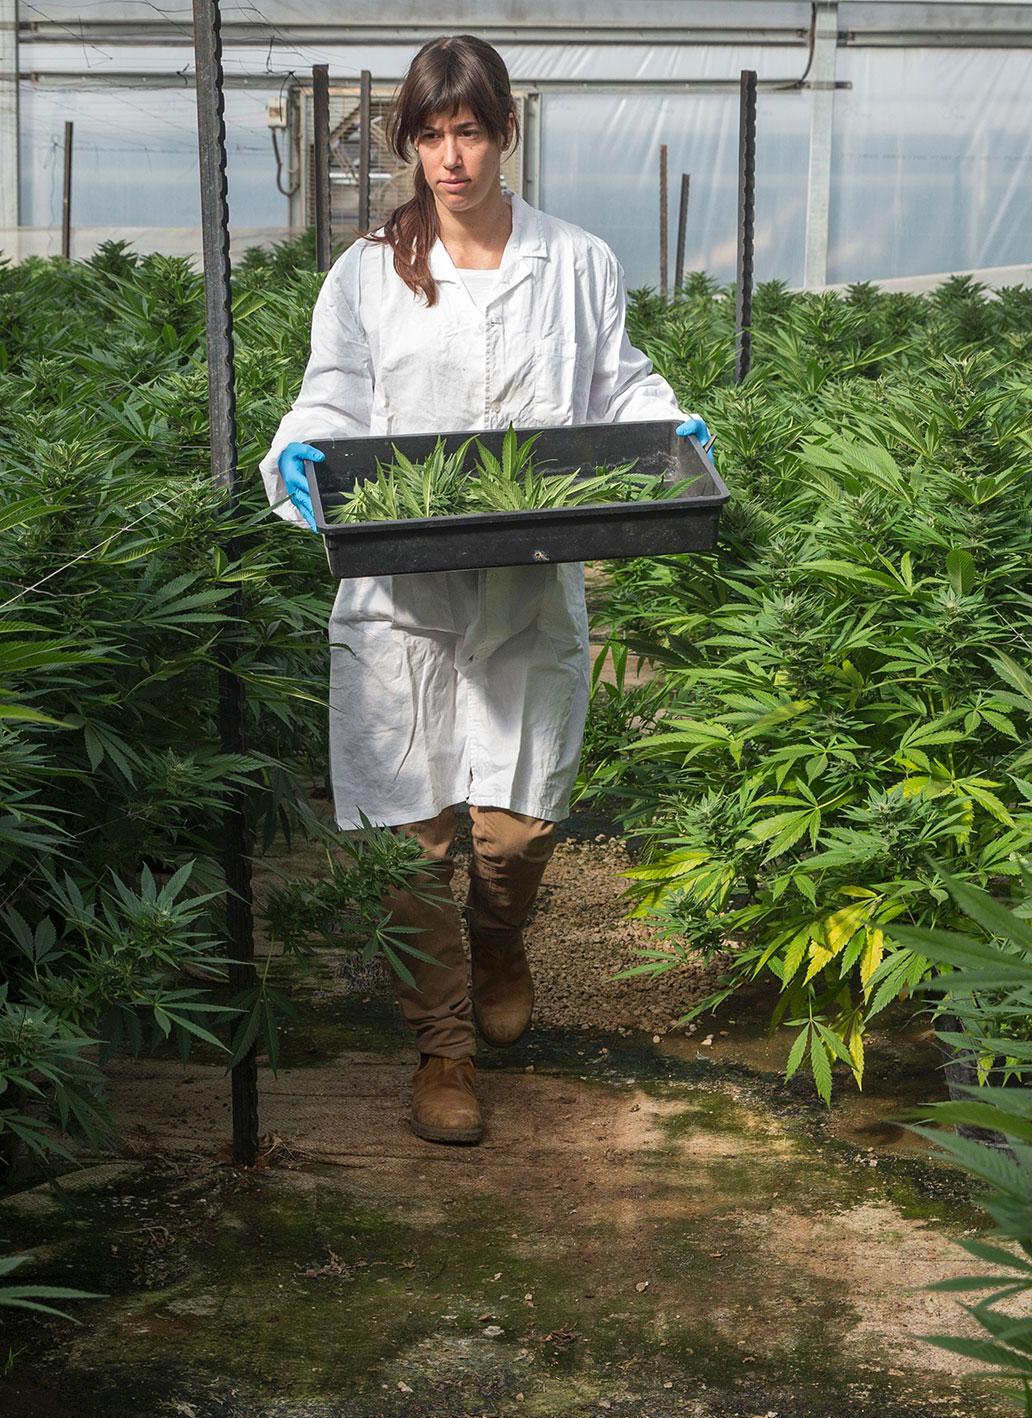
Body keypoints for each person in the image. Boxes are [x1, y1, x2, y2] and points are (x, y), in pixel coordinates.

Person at [259, 34, 710, 1147]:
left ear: (506, 132)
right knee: (406, 841)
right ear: (409, 144)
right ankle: (440, 1048)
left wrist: (668, 429)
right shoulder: (368, 268)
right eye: (427, 134)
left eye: (468, 130)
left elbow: (614, 378)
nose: (448, 156)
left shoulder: (577, 260)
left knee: (514, 833)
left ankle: (500, 935)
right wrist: (305, 454)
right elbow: (332, 395)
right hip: (401, 600)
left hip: (522, 585)